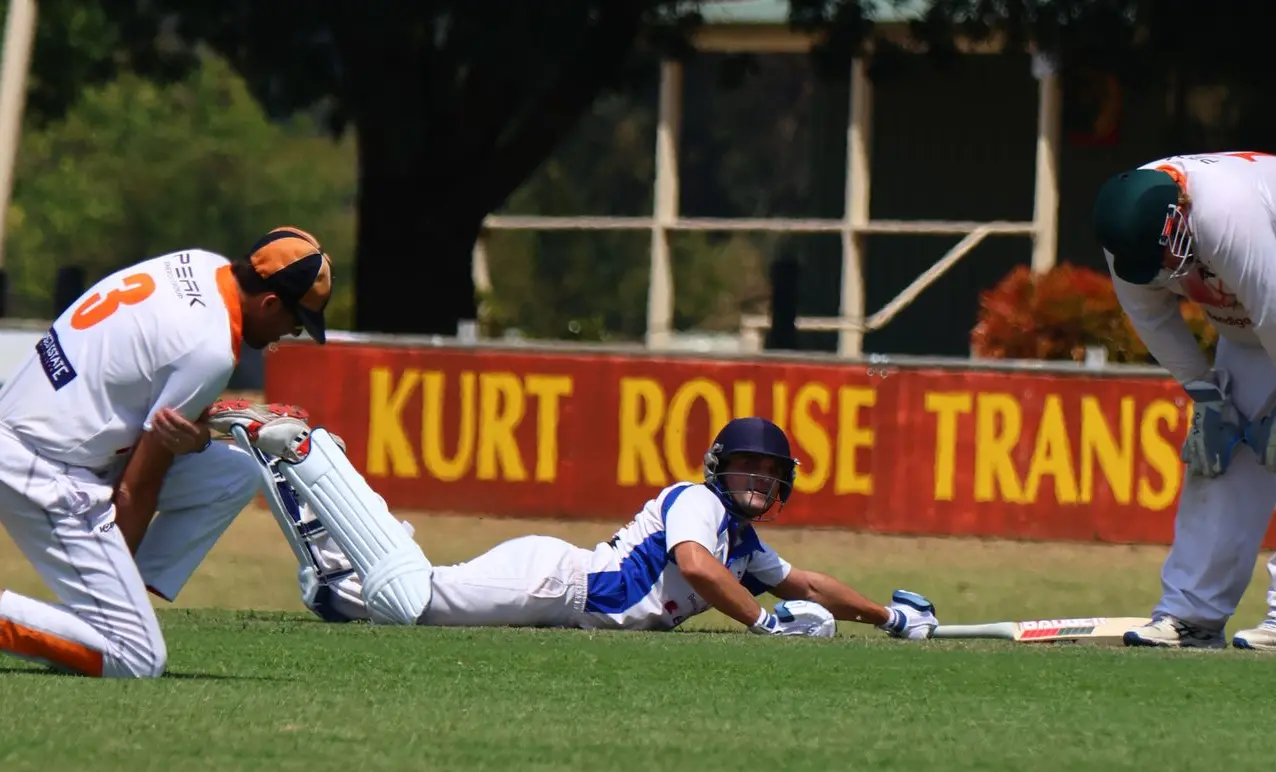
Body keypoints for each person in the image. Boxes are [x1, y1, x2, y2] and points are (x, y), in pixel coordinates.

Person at [210, 403, 940, 640]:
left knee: (354, 599)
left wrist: (888, 617)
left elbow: (806, 580)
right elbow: (693, 566)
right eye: (748, 467)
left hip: (563, 594)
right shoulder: (701, 504)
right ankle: (311, 451)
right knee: (411, 601)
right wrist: (763, 623)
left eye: (771, 473)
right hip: (559, 582)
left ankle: (316, 531)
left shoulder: (740, 544)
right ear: (722, 469)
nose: (759, 480)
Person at [0, 227, 334, 677]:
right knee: (138, 658)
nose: (288, 335)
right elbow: (138, 489)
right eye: (294, 324)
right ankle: (111, 614)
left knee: (234, 475)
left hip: (41, 432)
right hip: (43, 469)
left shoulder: (200, 263)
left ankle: (116, 600)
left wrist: (200, 435)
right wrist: (116, 604)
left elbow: (149, 389)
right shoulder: (212, 350)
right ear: (270, 303)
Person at [1093, 151, 1276, 650]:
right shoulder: (1130, 237)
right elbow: (1153, 320)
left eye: (1165, 260)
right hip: (1248, 333)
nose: (1162, 275)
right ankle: (1193, 616)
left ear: (1178, 218)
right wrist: (1207, 395)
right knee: (1216, 460)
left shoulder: (1228, 213)